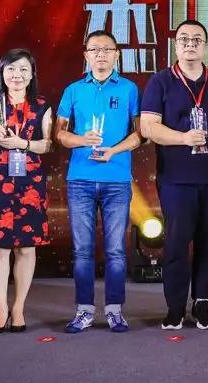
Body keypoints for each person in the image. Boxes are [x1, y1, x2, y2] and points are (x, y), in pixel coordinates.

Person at [140, 19, 208, 330]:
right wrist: (184, 138)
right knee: (176, 243)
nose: (190, 44)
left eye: (197, 39)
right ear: (175, 45)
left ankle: (202, 302)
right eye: (184, 39)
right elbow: (148, 127)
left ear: (206, 46)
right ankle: (175, 307)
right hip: (176, 178)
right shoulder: (161, 81)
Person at [55, 30, 142, 333]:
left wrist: (113, 151)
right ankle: (84, 311)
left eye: (107, 49)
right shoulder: (74, 90)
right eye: (95, 49)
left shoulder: (129, 89)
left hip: (116, 180)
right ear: (86, 56)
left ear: (117, 55)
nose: (101, 54)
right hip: (80, 180)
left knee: (116, 251)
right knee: (82, 251)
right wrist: (82, 140)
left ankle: (115, 310)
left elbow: (140, 133)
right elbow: (59, 134)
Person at [0, 48, 53, 335]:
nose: (17, 75)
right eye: (11, 69)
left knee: (26, 247)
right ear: (2, 73)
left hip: (30, 180)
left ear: (32, 75)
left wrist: (22, 144)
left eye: (23, 69)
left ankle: (18, 307)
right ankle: (0, 309)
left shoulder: (42, 106)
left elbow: (48, 144)